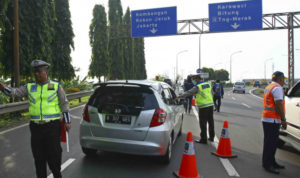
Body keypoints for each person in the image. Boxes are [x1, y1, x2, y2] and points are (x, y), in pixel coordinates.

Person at [0, 59, 71, 178]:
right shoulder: (29, 87)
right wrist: (1, 87)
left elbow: (64, 104)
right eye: (35, 71)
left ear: (46, 71)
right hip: (36, 128)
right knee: (39, 159)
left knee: (54, 158)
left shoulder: (56, 86)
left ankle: (57, 175)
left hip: (52, 127)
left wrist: (68, 121)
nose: (36, 73)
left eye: (39, 71)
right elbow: (14, 92)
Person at [176, 74, 215, 144]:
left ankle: (204, 139)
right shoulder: (208, 84)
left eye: (193, 80)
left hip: (203, 107)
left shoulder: (198, 87)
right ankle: (212, 137)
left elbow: (189, 92)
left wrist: (179, 97)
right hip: (210, 105)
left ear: (197, 79)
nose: (193, 81)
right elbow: (212, 93)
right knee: (211, 122)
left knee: (203, 123)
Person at [261, 71, 287, 174]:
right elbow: (279, 104)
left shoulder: (269, 87)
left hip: (268, 118)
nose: (284, 81)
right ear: (279, 79)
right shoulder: (277, 88)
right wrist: (283, 119)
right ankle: (267, 164)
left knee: (271, 142)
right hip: (272, 120)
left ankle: (272, 161)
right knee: (270, 143)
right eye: (283, 79)